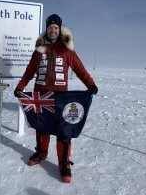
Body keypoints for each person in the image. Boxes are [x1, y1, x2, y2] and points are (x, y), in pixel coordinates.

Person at [14, 14, 98, 183]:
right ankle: (41, 153)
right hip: (41, 96)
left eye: (56, 28)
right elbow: (30, 71)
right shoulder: (39, 50)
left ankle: (63, 163)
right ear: (47, 29)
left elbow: (79, 69)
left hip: (61, 97)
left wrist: (90, 85)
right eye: (50, 27)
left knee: (63, 130)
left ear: (59, 30)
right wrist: (20, 86)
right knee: (41, 126)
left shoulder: (67, 50)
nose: (53, 30)